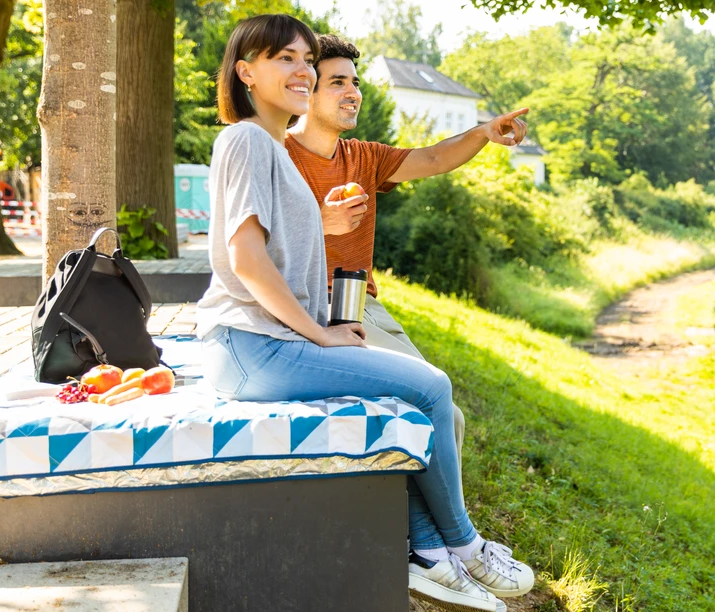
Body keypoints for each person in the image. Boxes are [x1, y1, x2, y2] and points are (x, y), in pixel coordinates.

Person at [195, 15, 532, 612]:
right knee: (430, 387)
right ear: (246, 73)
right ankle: (464, 544)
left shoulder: (269, 144)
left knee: (404, 402)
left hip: (271, 339)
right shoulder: (248, 140)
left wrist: (325, 322)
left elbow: (273, 245)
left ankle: (427, 554)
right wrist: (320, 335)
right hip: (252, 343)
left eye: (306, 60)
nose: (302, 71)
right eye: (286, 60)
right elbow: (245, 261)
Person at [284, 35, 531, 458]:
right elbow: (249, 248)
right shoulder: (276, 154)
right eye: (339, 82)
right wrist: (321, 224)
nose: (354, 93)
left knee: (439, 411)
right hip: (303, 306)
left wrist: (484, 133)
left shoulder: (364, 157)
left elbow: (434, 158)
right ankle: (446, 525)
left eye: (356, 83)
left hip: (362, 305)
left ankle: (430, 523)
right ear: (307, 88)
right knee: (440, 415)